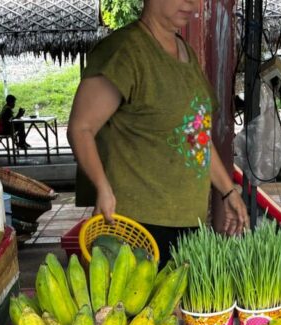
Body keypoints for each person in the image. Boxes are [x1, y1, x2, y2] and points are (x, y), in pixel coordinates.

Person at [67, 0, 248, 264]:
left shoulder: (187, 54)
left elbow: (196, 137)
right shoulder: (125, 51)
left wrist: (228, 191)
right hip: (136, 228)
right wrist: (102, 187)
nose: (192, 5)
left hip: (189, 223)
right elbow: (81, 128)